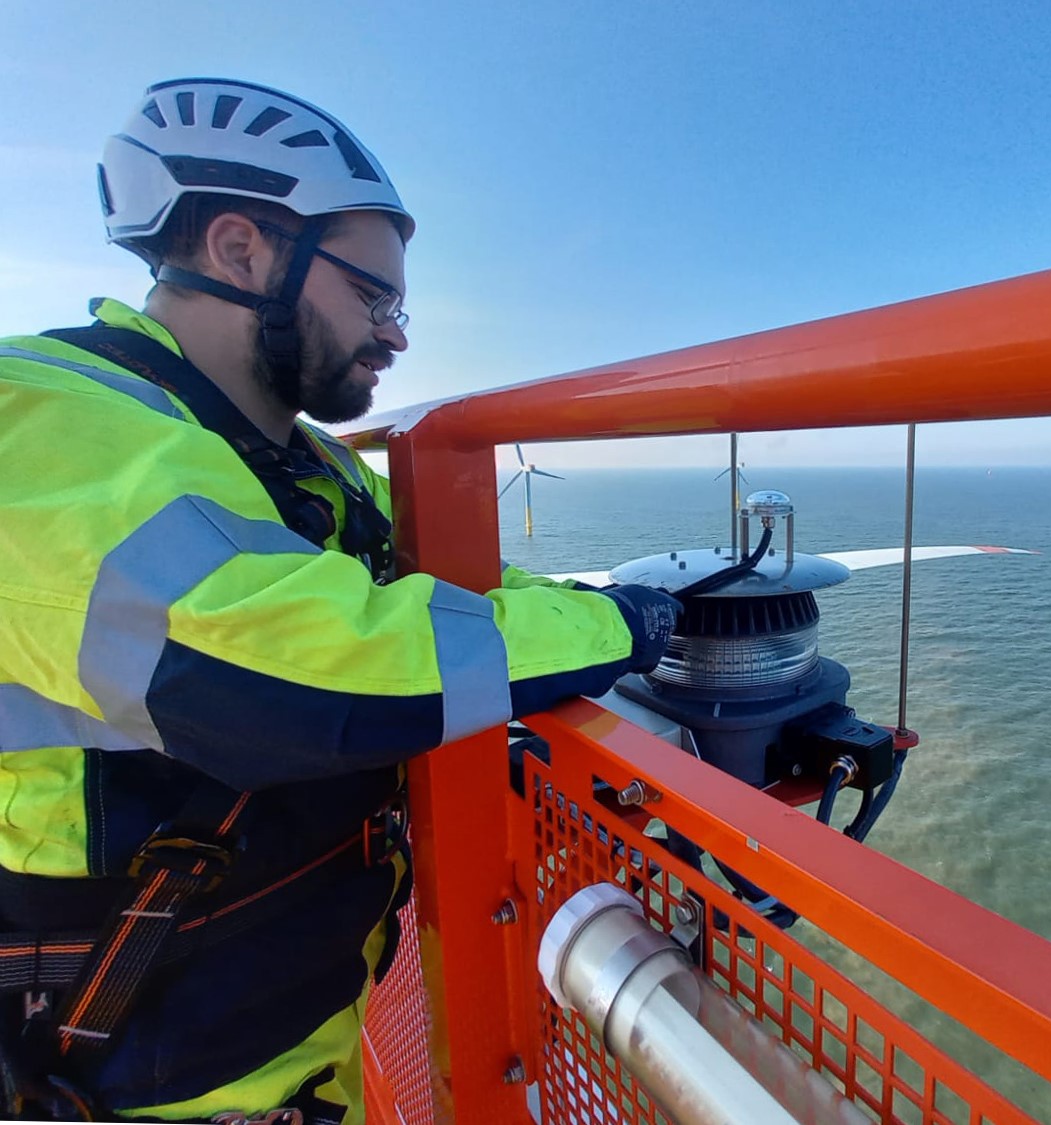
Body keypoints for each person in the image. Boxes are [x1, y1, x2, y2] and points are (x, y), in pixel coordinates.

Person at [0, 77, 681, 1123]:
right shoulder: (41, 423)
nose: (396, 337)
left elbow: (457, 591)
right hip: (127, 1080)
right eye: (373, 296)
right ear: (242, 251)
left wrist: (594, 600)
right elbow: (302, 670)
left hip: (299, 1047)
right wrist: (623, 626)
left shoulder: (300, 460)